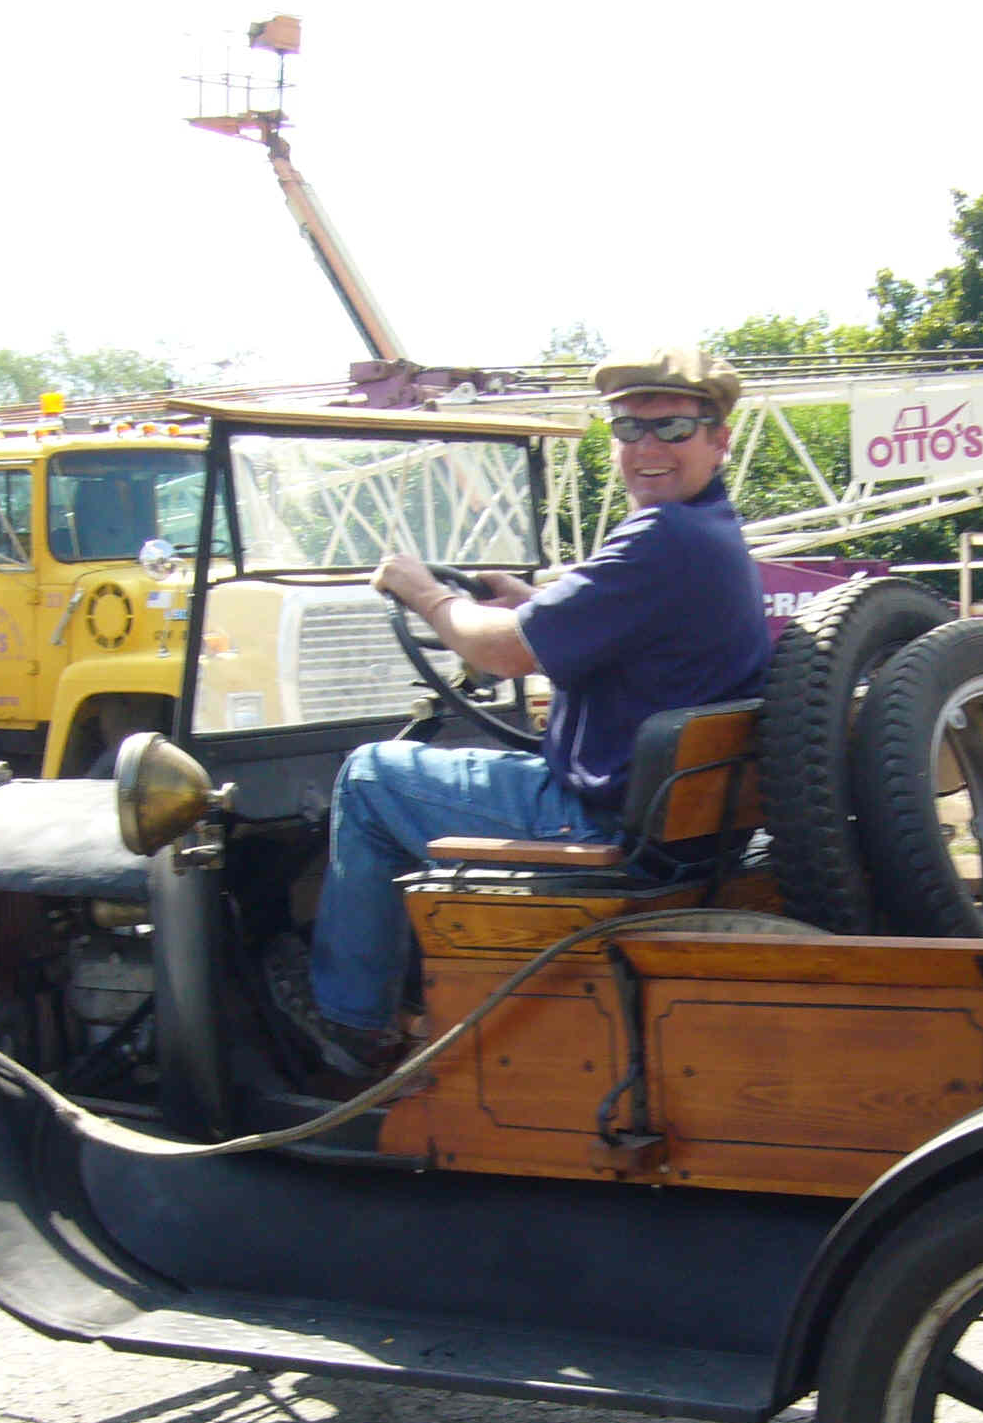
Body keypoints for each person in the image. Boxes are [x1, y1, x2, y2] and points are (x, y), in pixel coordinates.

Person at [278, 345, 770, 1079]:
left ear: (718, 438)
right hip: (680, 829)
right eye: (628, 429)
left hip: (603, 821)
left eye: (671, 428)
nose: (647, 449)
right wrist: (536, 605)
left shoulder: (664, 537)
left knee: (369, 779)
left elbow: (503, 655)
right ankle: (421, 988)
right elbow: (607, 617)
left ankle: (351, 1021)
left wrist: (425, 593)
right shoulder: (708, 532)